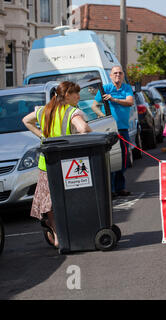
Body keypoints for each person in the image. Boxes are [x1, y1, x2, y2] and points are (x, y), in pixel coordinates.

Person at [22, 81, 92, 248]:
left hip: (46, 163)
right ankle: (72, 231)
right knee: (70, 198)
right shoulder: (71, 112)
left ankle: (57, 233)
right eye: (76, 93)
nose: (79, 97)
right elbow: (83, 129)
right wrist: (81, 135)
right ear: (67, 95)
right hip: (67, 162)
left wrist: (43, 137)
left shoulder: (43, 110)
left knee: (49, 202)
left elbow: (26, 120)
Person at [92, 65, 134, 197]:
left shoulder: (126, 88)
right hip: (109, 130)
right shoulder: (105, 88)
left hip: (123, 129)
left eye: (120, 73)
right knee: (110, 159)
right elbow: (94, 106)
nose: (117, 75)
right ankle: (110, 190)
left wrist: (114, 99)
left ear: (123, 75)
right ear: (110, 76)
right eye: (115, 73)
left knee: (123, 159)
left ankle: (120, 187)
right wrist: (102, 116)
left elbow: (130, 102)